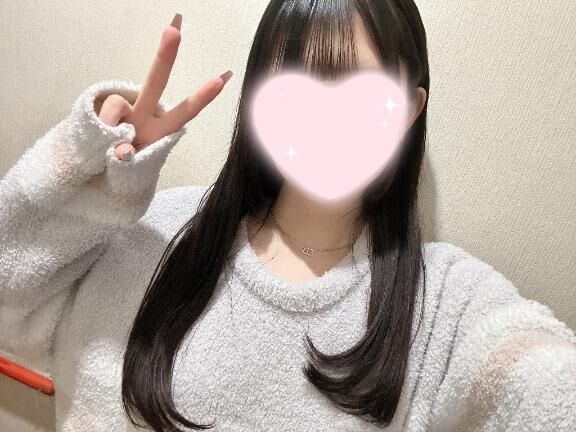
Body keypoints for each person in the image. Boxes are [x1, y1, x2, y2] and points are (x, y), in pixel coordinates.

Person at [1, 2, 575, 431]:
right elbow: (10, 301)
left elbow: (539, 384)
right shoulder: (156, 233)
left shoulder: (445, 303)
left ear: (409, 108)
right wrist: (92, 178)